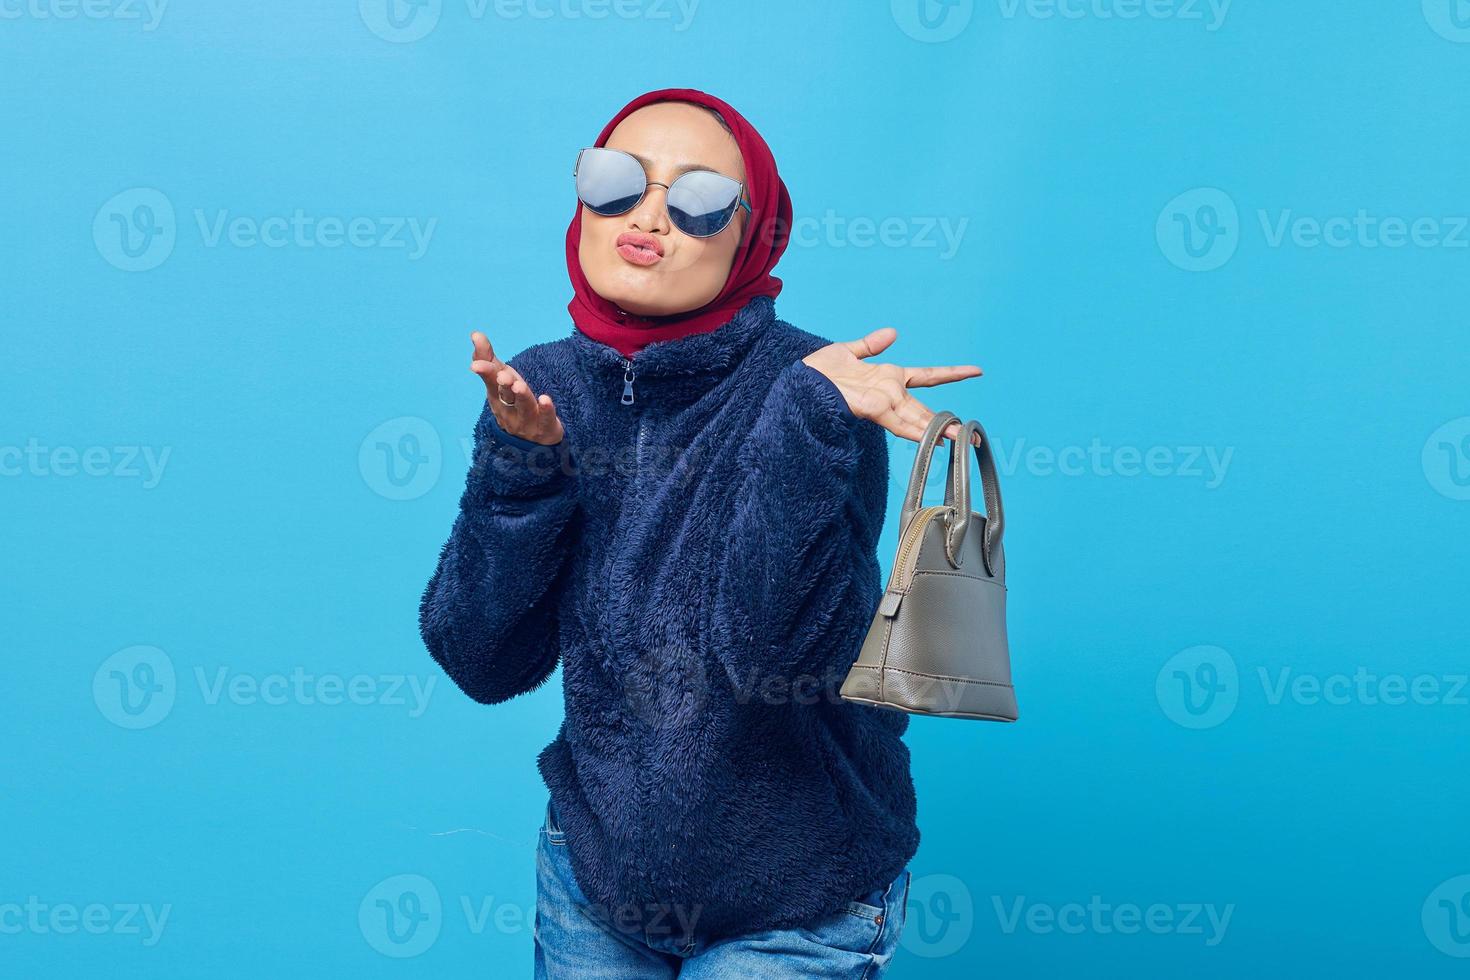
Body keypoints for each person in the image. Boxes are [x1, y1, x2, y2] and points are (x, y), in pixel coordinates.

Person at [419, 87, 981, 978]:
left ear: (753, 234)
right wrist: (522, 471)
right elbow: (480, 660)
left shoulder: (818, 388)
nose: (647, 217)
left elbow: (772, 658)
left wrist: (805, 421)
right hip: (599, 882)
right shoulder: (541, 386)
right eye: (614, 182)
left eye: (698, 201)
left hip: (802, 896)